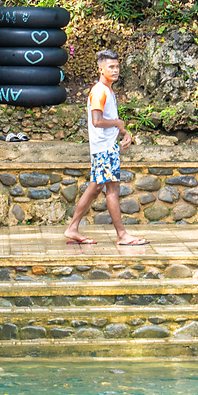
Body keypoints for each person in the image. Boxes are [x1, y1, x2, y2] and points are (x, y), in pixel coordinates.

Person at [63, 50, 148, 247]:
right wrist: (118, 122)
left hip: (107, 146)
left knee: (96, 187)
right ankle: (122, 235)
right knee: (112, 189)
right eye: (111, 67)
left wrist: (123, 132)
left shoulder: (109, 92)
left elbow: (109, 122)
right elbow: (97, 121)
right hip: (103, 149)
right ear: (101, 69)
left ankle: (73, 228)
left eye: (117, 66)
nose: (115, 70)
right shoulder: (99, 91)